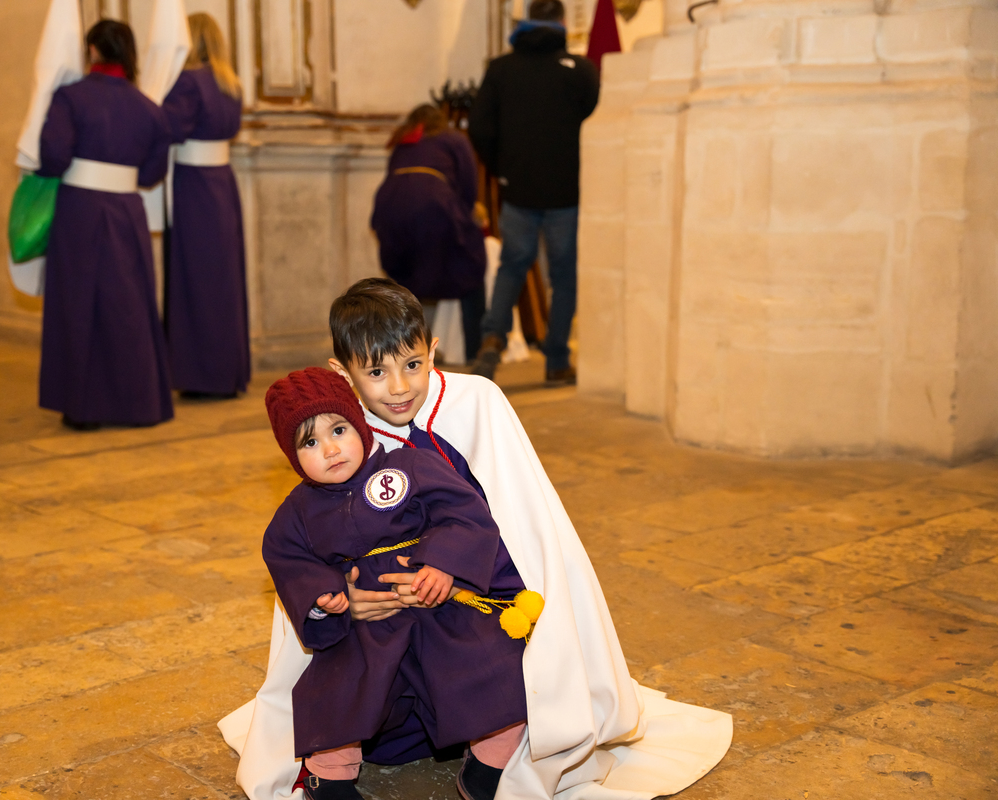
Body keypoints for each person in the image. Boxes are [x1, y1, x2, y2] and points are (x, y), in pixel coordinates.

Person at [219, 278, 731, 800]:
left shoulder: (476, 401)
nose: (398, 388)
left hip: (474, 592)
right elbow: (304, 543)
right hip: (378, 617)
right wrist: (339, 601)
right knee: (345, 684)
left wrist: (458, 572)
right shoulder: (342, 429)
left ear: (431, 349)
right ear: (344, 372)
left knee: (495, 670)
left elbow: (520, 513)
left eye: (413, 365)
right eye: (376, 372)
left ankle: (486, 759)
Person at [261, 366, 529, 800]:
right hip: (369, 626)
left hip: (437, 609)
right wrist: (329, 597)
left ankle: (490, 760)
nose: (330, 449)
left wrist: (442, 565)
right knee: (337, 686)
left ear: (360, 424)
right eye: (309, 442)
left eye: (339, 429)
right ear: (292, 456)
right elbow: (286, 557)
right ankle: (329, 775)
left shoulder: (410, 465)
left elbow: (462, 511)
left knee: (493, 661)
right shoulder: (298, 512)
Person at [37, 19, 173, 430]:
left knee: (78, 304)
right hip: (126, 211)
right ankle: (138, 404)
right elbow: (152, 172)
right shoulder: (150, 109)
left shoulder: (70, 97)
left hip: (80, 208)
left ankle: (83, 407)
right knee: (129, 308)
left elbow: (53, 156)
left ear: (92, 50)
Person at [468, 0, 599, 385]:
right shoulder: (581, 71)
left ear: (524, 22)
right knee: (563, 276)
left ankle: (492, 339)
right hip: (567, 192)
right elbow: (597, 129)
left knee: (512, 266)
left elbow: (480, 127)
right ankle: (557, 360)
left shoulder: (502, 69)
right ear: (562, 23)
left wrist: (503, 168)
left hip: (518, 189)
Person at [159, 12, 249, 400]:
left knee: (195, 281)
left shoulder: (188, 81)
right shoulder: (232, 84)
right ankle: (227, 373)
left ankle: (201, 375)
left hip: (193, 185)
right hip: (222, 184)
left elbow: (167, 127)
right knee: (224, 282)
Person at [370, 104, 487, 362]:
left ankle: (405, 353)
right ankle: (476, 352)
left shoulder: (402, 141)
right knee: (471, 266)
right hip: (434, 205)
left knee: (405, 281)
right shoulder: (453, 138)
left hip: (390, 206)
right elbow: (469, 184)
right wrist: (465, 216)